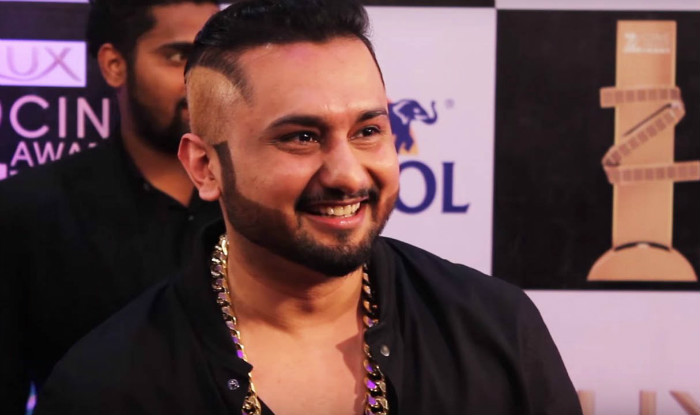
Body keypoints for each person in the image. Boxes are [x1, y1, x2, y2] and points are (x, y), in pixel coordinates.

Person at [34, 1, 583, 414]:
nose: (347, 174)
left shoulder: (495, 330)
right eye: (300, 137)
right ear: (205, 167)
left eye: (368, 131)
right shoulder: (108, 385)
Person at [0, 0, 221, 412]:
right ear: (114, 65)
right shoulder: (26, 211)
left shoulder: (260, 203)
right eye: (179, 57)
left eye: (215, 58)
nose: (204, 79)